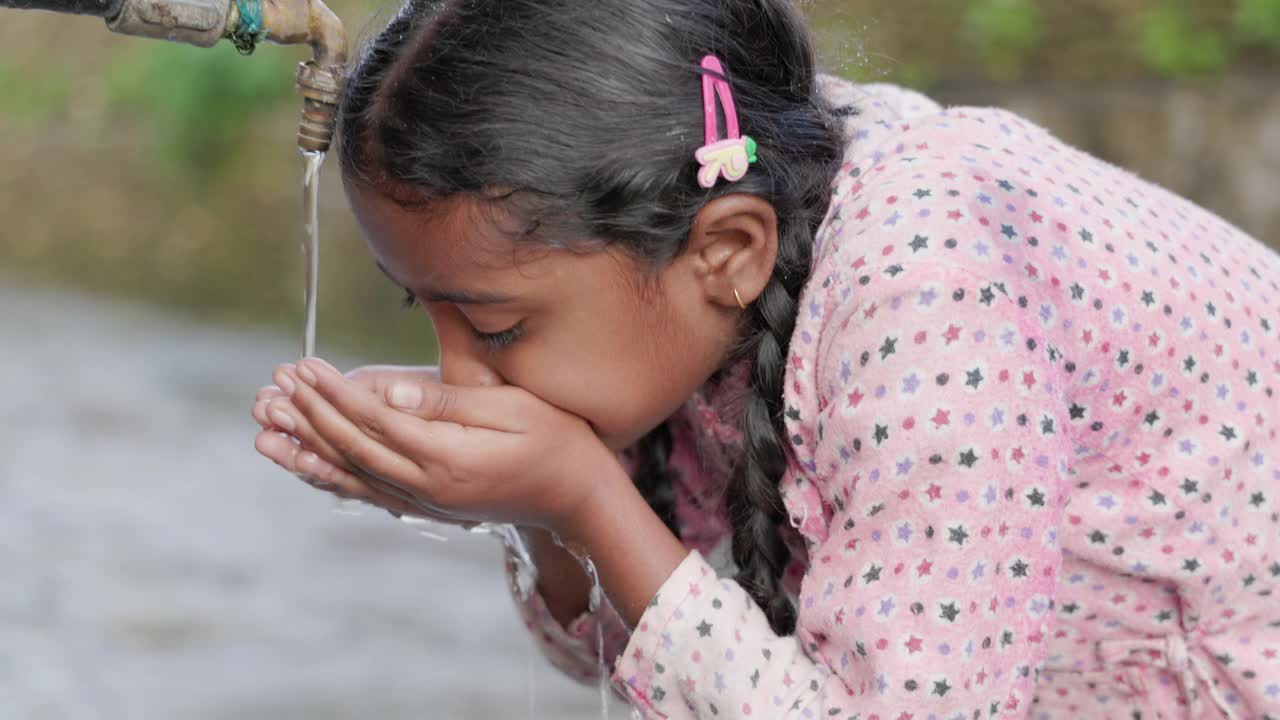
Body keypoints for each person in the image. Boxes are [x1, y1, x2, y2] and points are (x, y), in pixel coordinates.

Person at [249, 0, 1280, 717]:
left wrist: (580, 497)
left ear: (728, 253)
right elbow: (652, 668)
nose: (459, 378)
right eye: (424, 316)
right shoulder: (706, 223)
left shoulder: (926, 294)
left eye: (497, 329)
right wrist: (549, 513)